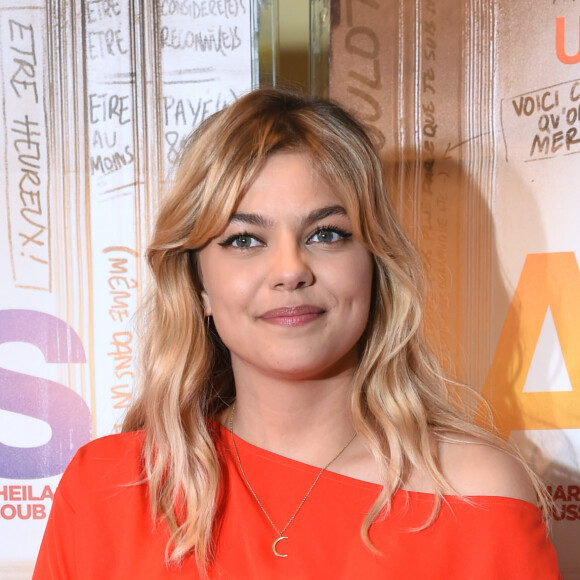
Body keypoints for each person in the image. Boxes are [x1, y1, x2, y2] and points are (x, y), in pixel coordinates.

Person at [33, 87, 561, 579]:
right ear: (197, 283)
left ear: (375, 266)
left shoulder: (477, 496)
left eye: (326, 234)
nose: (290, 269)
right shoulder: (107, 487)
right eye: (244, 240)